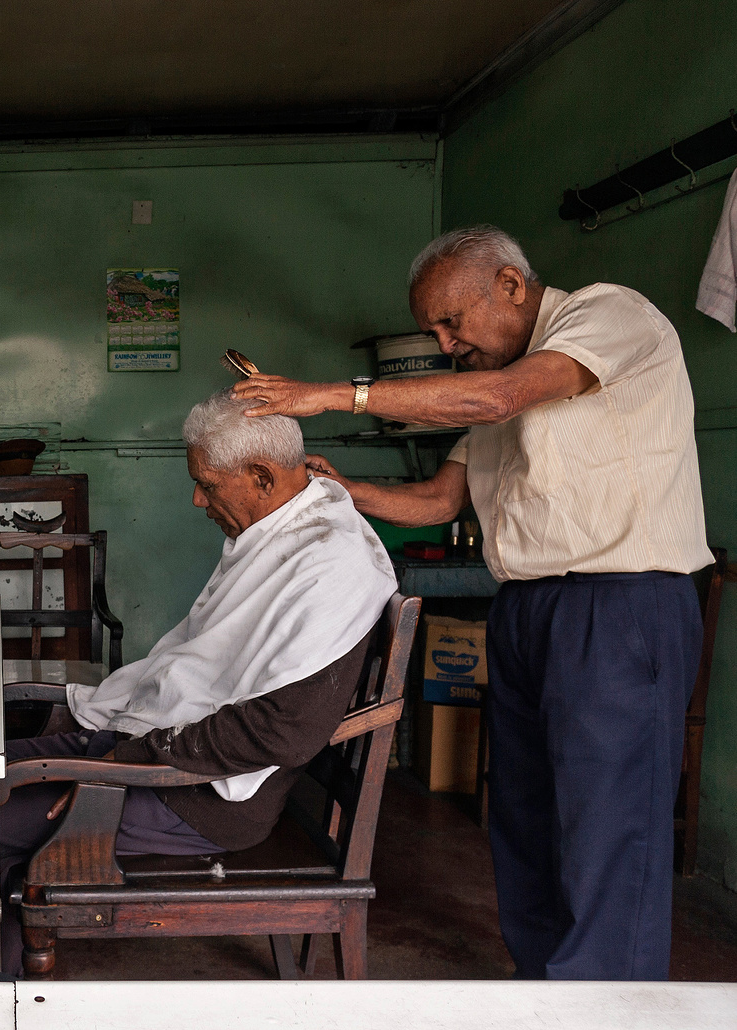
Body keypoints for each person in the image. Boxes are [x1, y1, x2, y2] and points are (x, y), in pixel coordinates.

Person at [231, 225, 709, 981]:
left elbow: (495, 398)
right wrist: (339, 489)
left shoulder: (607, 317)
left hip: (619, 608)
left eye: (452, 322)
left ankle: (606, 1012)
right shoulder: (498, 383)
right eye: (434, 332)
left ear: (512, 286)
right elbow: (435, 499)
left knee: (609, 825)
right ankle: (542, 982)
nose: (448, 344)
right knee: (526, 815)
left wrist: (333, 395)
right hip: (524, 611)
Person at [0, 392, 397, 970]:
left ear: (261, 475)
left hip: (195, 796)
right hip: (152, 751)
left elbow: (280, 731)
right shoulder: (281, 532)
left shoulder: (333, 564)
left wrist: (113, 769)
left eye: (208, 485)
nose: (196, 499)